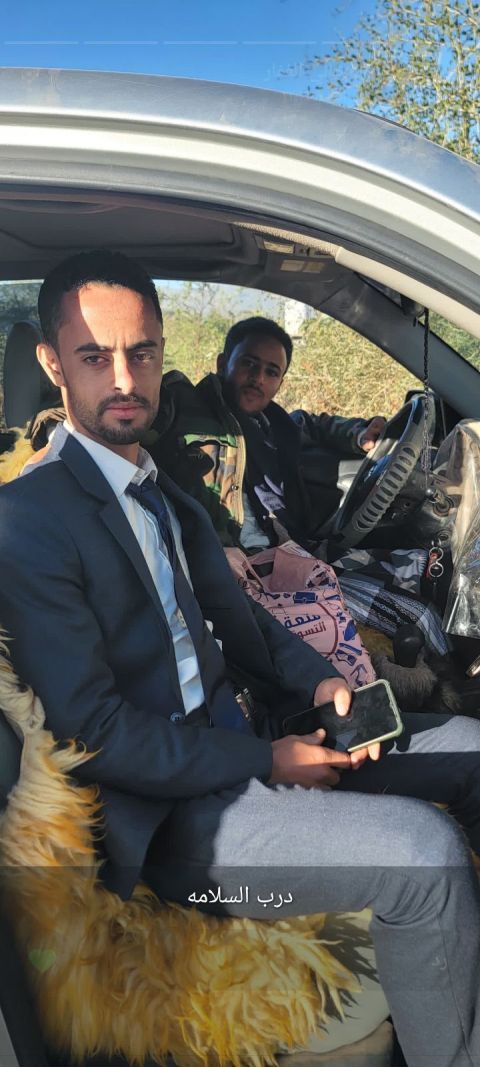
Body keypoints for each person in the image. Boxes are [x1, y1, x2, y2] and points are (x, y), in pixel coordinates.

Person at [1, 251, 480, 1067]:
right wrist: (267, 760)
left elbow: (244, 622)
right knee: (423, 859)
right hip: (174, 827)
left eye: (142, 352)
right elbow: (96, 733)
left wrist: (320, 679)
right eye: (94, 356)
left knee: (470, 748)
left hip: (249, 738)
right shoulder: (27, 518)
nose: (125, 378)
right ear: (53, 364)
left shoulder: (160, 490)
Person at [148, 316, 385, 552]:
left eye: (271, 372)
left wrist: (360, 434)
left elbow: (314, 424)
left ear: (280, 384)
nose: (258, 379)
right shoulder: (184, 410)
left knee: (404, 562)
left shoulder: (276, 427)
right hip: (222, 559)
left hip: (284, 551)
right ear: (222, 364)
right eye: (249, 364)